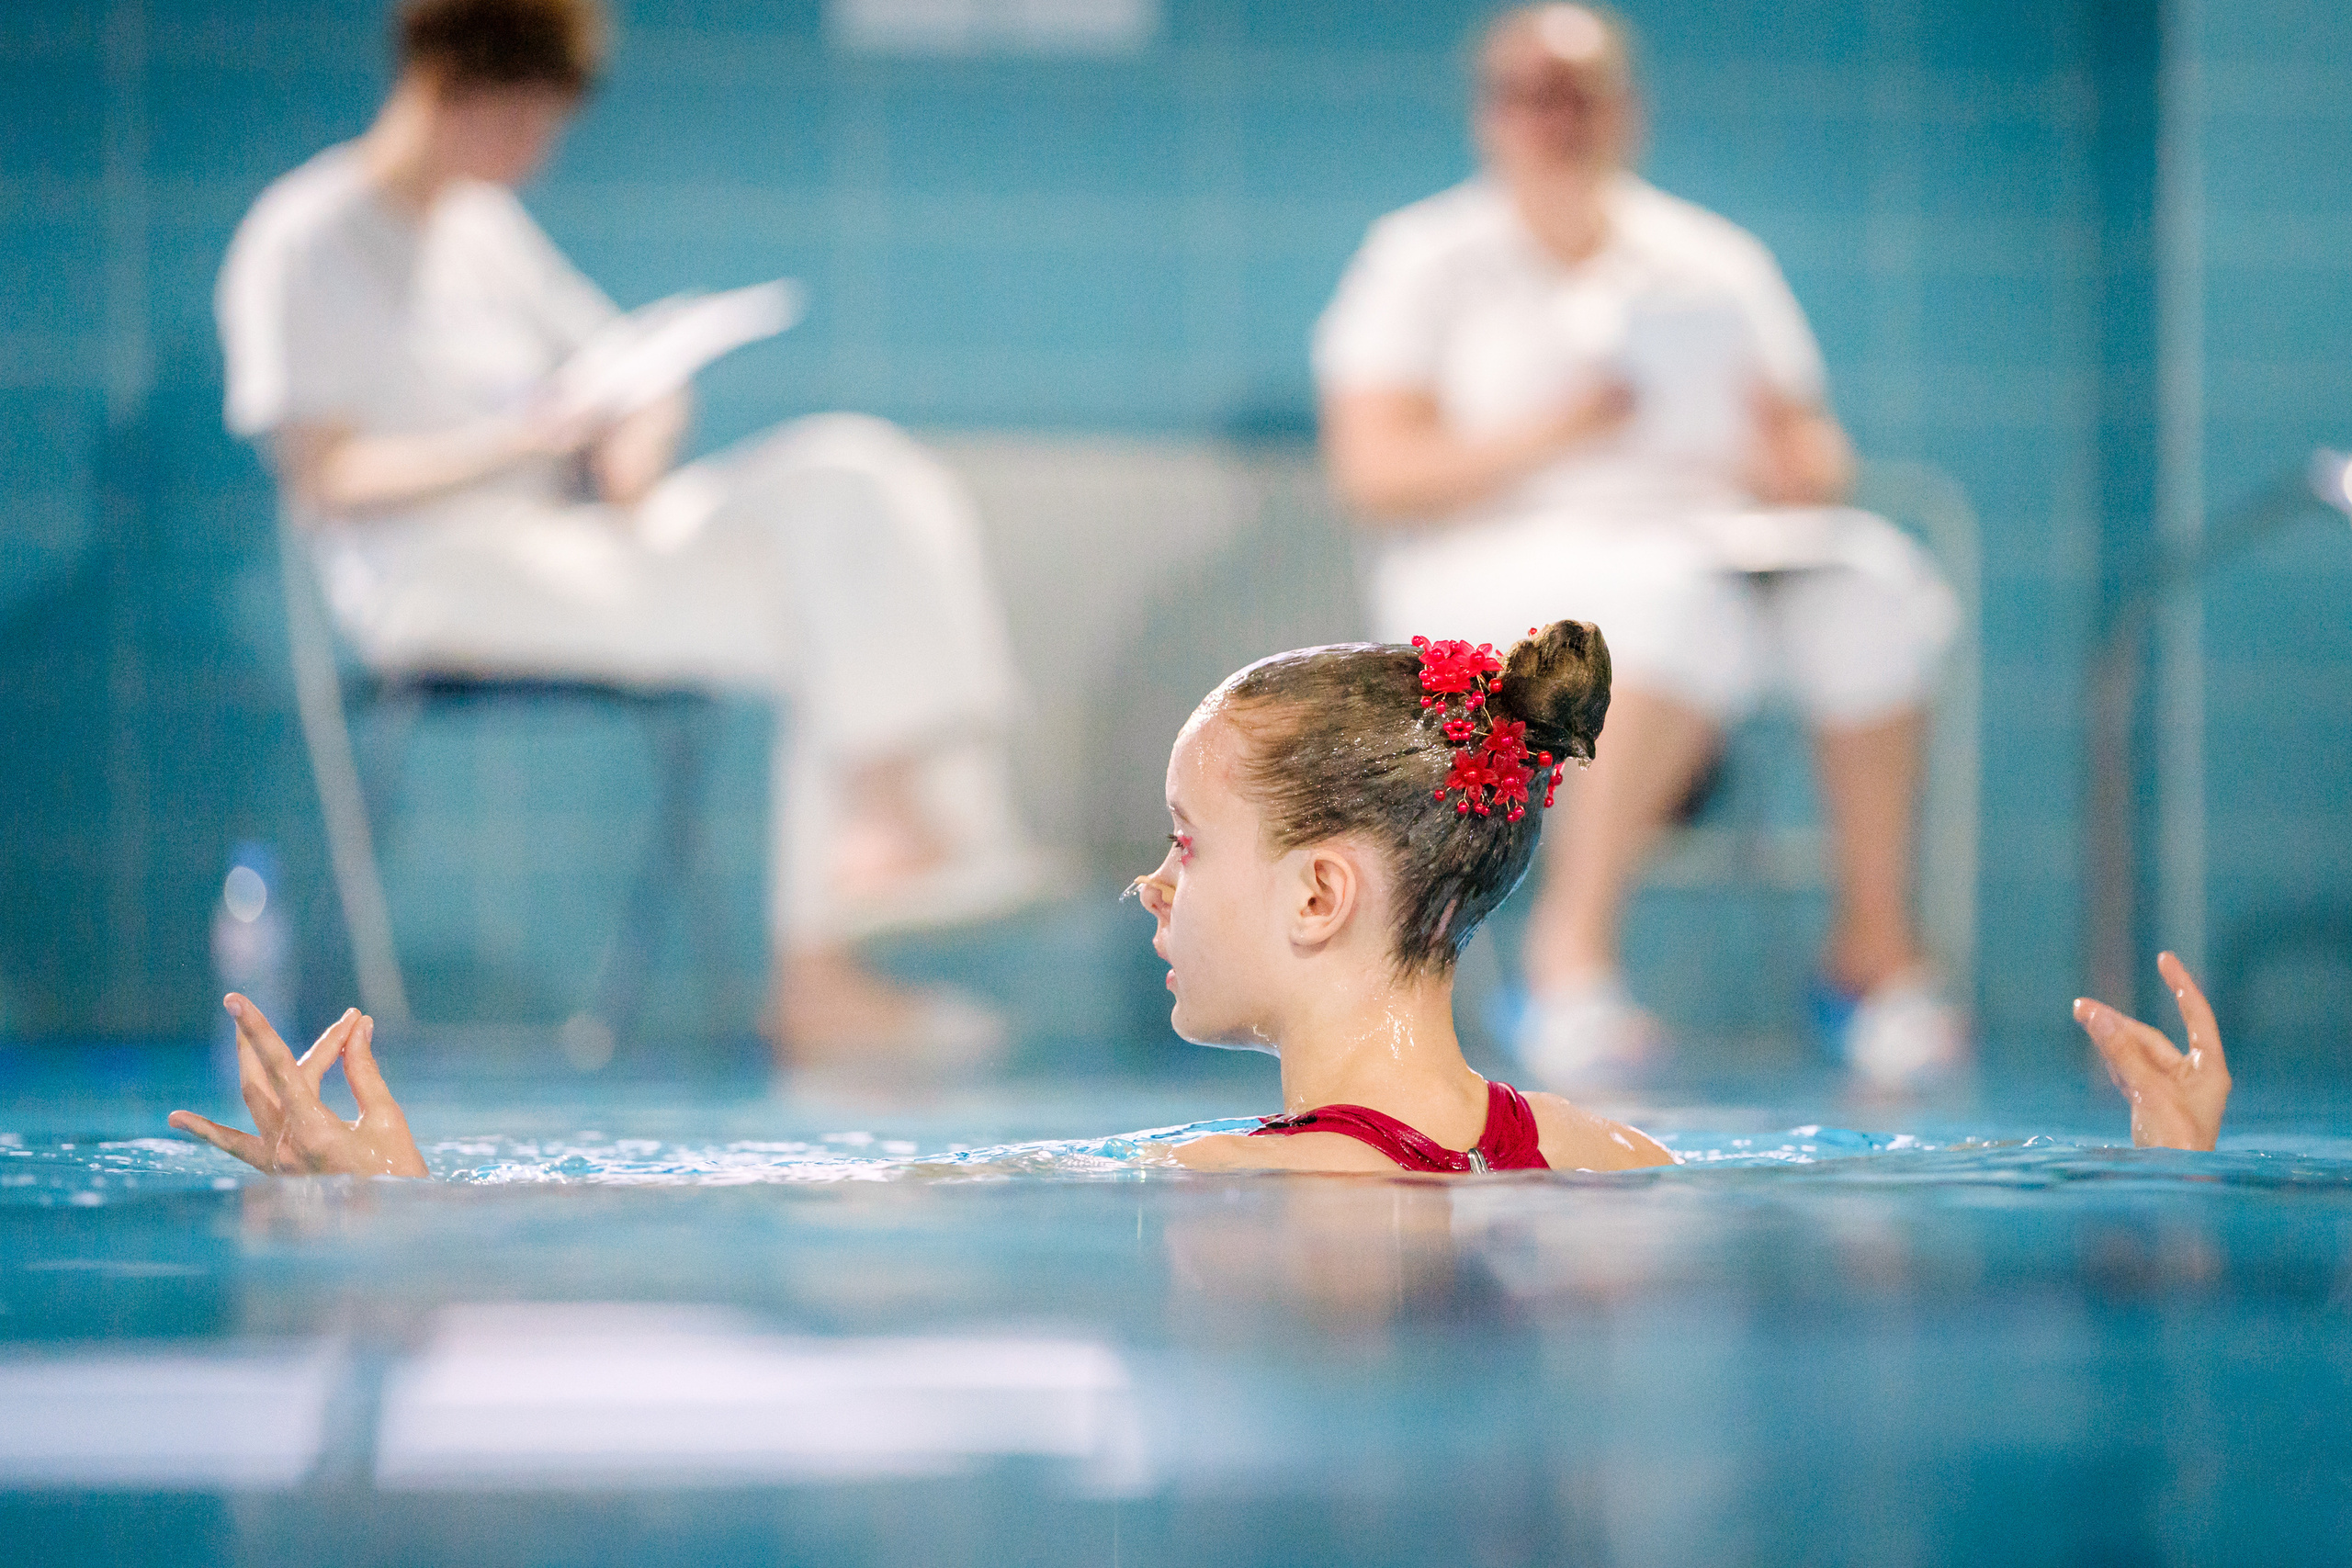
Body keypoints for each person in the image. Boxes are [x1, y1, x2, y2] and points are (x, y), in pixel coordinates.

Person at [169, 623, 2233, 1179]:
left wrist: (420, 1214)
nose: (1149, 883)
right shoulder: (1603, 1151)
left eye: (1184, 840)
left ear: (1324, 892)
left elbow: (905, 1196)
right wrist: (2153, 1190)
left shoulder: (1256, 1183)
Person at [213, 0, 1042, 1071]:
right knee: (815, 609)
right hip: (433, 571)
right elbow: (326, 478)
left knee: (856, 473)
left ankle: (879, 830)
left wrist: (636, 436)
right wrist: (515, 441)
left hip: (572, 537)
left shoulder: (483, 229)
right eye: (519, 121)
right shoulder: (309, 233)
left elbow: (621, 368)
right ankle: (831, 949)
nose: (534, 152)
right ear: (443, 85)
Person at [1314, 3, 1962, 1090]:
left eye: (1582, 94)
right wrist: (1567, 424)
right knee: (1663, 604)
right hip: (1495, 561)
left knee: (1872, 580)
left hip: (1711, 539)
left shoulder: (1712, 261)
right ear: (1491, 115)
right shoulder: (1422, 259)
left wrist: (1782, 460)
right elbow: (1374, 473)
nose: (1557, 119)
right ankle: (1569, 963)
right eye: (1532, 95)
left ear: (1627, 110)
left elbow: (1814, 450)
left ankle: (1872, 955)